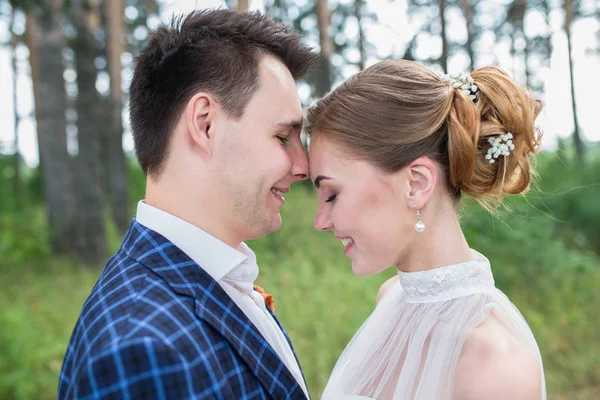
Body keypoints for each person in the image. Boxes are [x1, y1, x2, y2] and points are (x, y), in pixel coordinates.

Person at [59, 9, 318, 399]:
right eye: (283, 137)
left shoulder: (210, 277)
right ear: (205, 123)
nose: (303, 166)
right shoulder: (142, 351)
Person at [306, 60, 546, 399]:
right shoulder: (392, 299)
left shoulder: (496, 366)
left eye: (332, 194)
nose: (320, 221)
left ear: (416, 184)